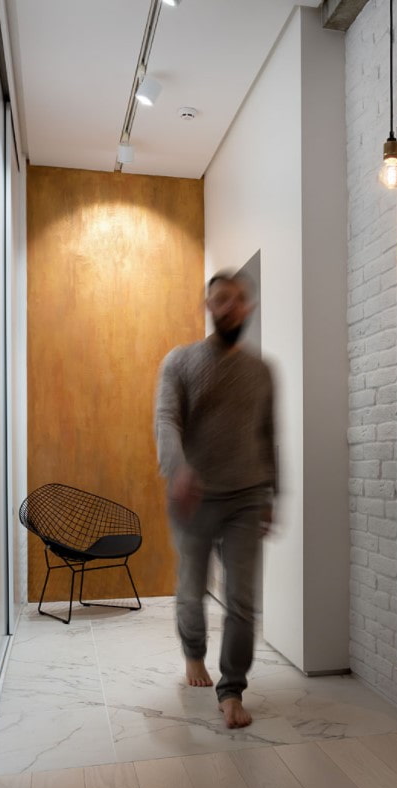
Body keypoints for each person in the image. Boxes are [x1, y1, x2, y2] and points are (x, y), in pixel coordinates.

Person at [155, 272, 276, 728]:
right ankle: (193, 654)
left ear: (248, 308)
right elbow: (167, 419)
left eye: (238, 300)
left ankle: (232, 689)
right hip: (194, 496)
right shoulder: (180, 361)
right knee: (192, 590)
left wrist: (271, 493)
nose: (229, 307)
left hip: (246, 496)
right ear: (208, 304)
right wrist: (178, 468)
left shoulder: (261, 371)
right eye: (221, 298)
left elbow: (268, 437)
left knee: (243, 599)